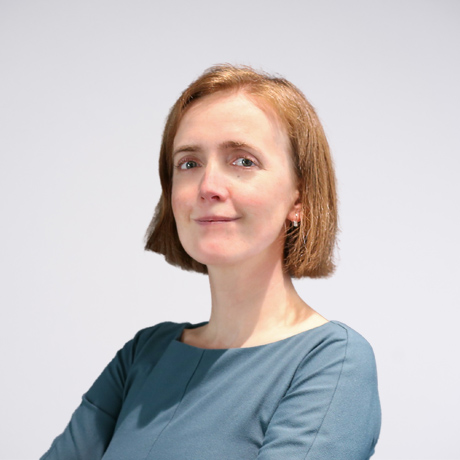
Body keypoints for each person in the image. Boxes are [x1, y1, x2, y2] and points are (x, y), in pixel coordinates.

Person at [41, 64, 381, 459]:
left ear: (299, 198)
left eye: (243, 161)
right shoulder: (144, 355)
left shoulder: (331, 361)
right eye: (189, 163)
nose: (208, 187)